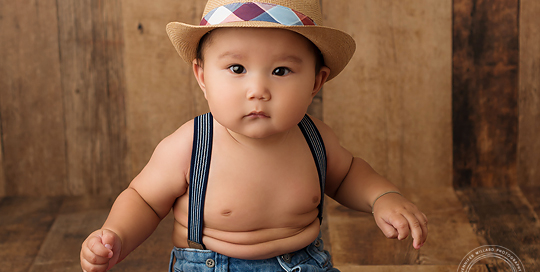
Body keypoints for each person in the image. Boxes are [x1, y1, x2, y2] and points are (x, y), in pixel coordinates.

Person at [80, 0, 428, 271]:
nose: (258, 89)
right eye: (237, 68)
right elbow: (143, 199)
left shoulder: (315, 139)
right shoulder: (192, 145)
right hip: (212, 267)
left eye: (280, 71)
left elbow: (349, 173)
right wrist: (116, 236)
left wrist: (382, 196)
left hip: (303, 265)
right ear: (202, 75)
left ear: (316, 82)